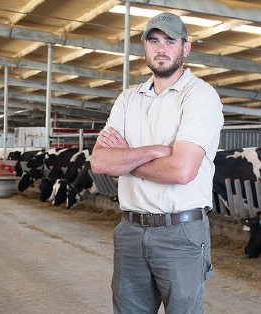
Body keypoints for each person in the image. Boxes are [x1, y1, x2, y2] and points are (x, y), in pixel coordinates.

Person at [89, 12, 224, 314]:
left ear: (185, 48)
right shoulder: (128, 98)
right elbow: (99, 162)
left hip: (180, 231)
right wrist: (157, 151)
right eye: (153, 41)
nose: (161, 48)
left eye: (170, 41)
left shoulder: (200, 96)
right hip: (130, 229)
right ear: (145, 47)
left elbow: (181, 170)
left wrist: (125, 160)